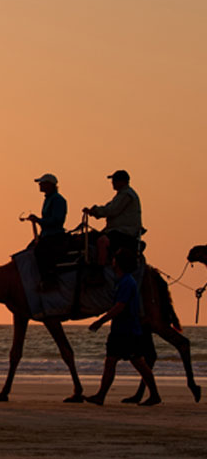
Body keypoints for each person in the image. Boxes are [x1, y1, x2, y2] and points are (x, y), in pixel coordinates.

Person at [86, 250, 160, 406]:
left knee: (136, 363)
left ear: (118, 263)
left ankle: (154, 394)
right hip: (122, 329)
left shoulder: (127, 282)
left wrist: (100, 321)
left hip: (127, 330)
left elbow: (120, 306)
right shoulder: (123, 281)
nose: (112, 262)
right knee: (113, 362)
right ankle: (101, 395)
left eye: (114, 260)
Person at [83, 170, 141, 265]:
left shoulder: (127, 195)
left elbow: (111, 210)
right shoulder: (121, 195)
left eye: (115, 180)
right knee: (90, 237)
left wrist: (95, 211)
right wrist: (95, 211)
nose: (112, 183)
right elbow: (109, 207)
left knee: (102, 241)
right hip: (117, 230)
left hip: (124, 232)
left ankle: (100, 269)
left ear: (122, 181)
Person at [26, 173, 67, 288]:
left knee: (40, 251)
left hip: (55, 235)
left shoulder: (58, 200)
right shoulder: (49, 199)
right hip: (46, 234)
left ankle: (50, 278)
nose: (40, 185)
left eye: (42, 183)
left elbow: (57, 220)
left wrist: (39, 220)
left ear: (49, 185)